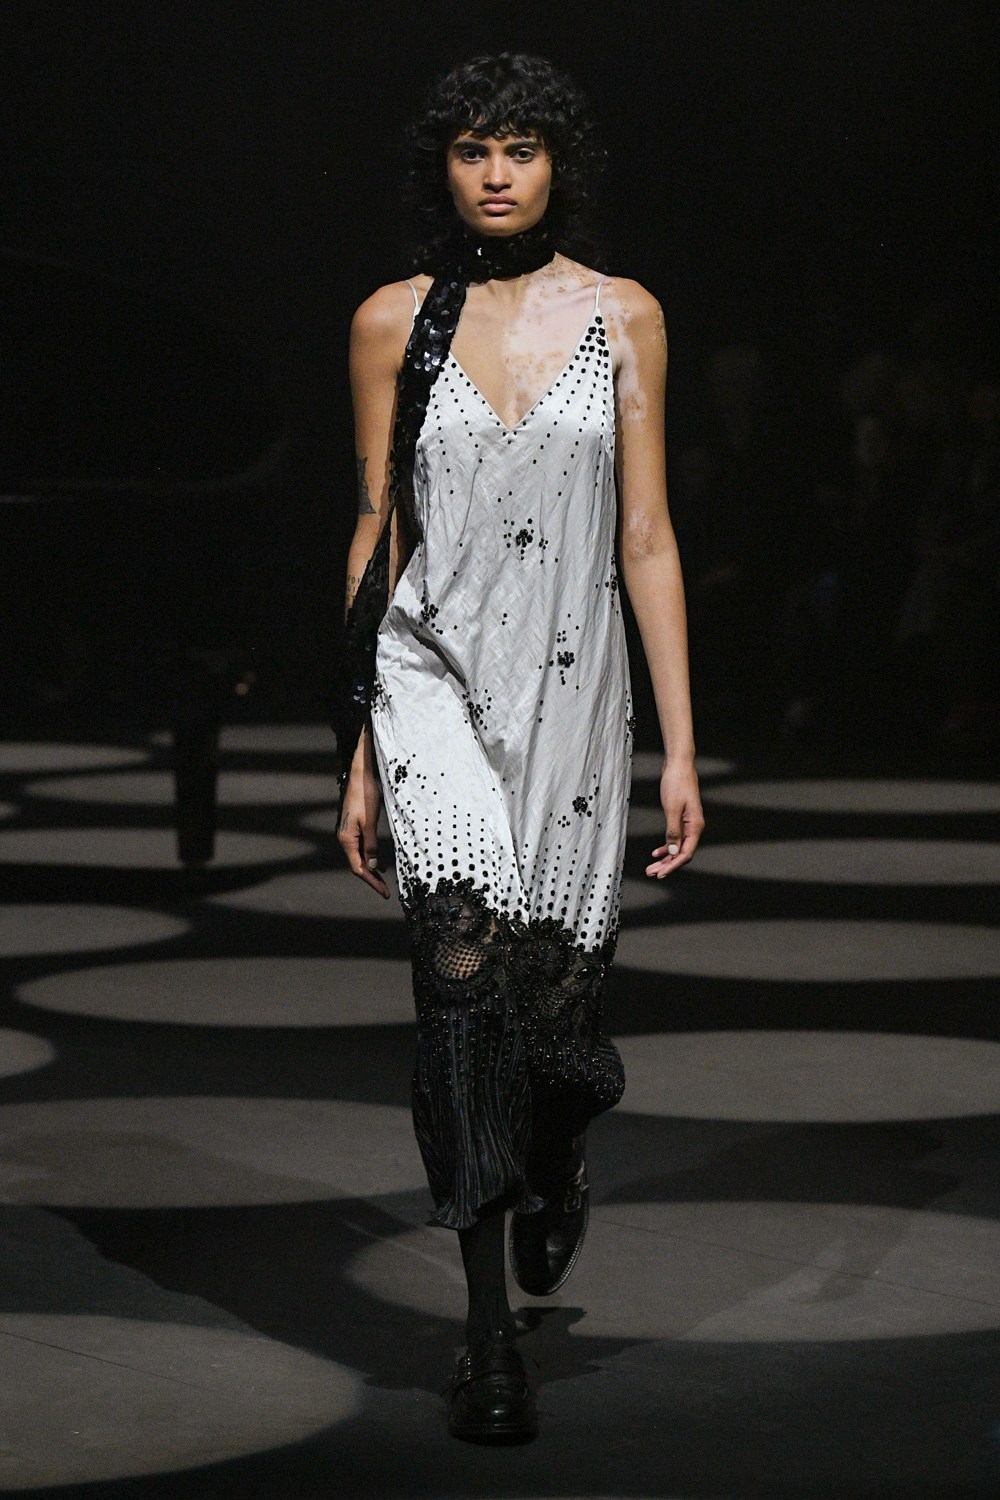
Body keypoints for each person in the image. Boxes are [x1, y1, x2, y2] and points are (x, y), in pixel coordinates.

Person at [335, 52, 703, 1443]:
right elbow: (377, 529)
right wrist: (360, 740)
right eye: (472, 149)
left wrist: (681, 745)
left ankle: (558, 1145)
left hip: (574, 695)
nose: (496, 174)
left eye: (523, 147)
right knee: (459, 996)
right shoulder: (393, 322)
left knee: (549, 1027)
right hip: (430, 682)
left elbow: (646, 535)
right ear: (441, 166)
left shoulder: (623, 316)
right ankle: (489, 1340)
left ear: (560, 164)